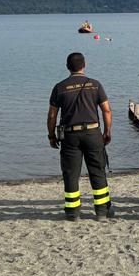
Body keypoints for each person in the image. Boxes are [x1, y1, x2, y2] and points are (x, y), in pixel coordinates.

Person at [47, 52, 113, 221]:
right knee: (97, 171)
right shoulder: (95, 85)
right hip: (92, 133)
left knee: (71, 173)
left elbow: (52, 116)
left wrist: (51, 135)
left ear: (68, 67)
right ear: (84, 65)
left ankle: (72, 212)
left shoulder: (59, 87)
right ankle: (101, 212)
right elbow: (106, 110)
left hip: (70, 136)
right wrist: (107, 132)